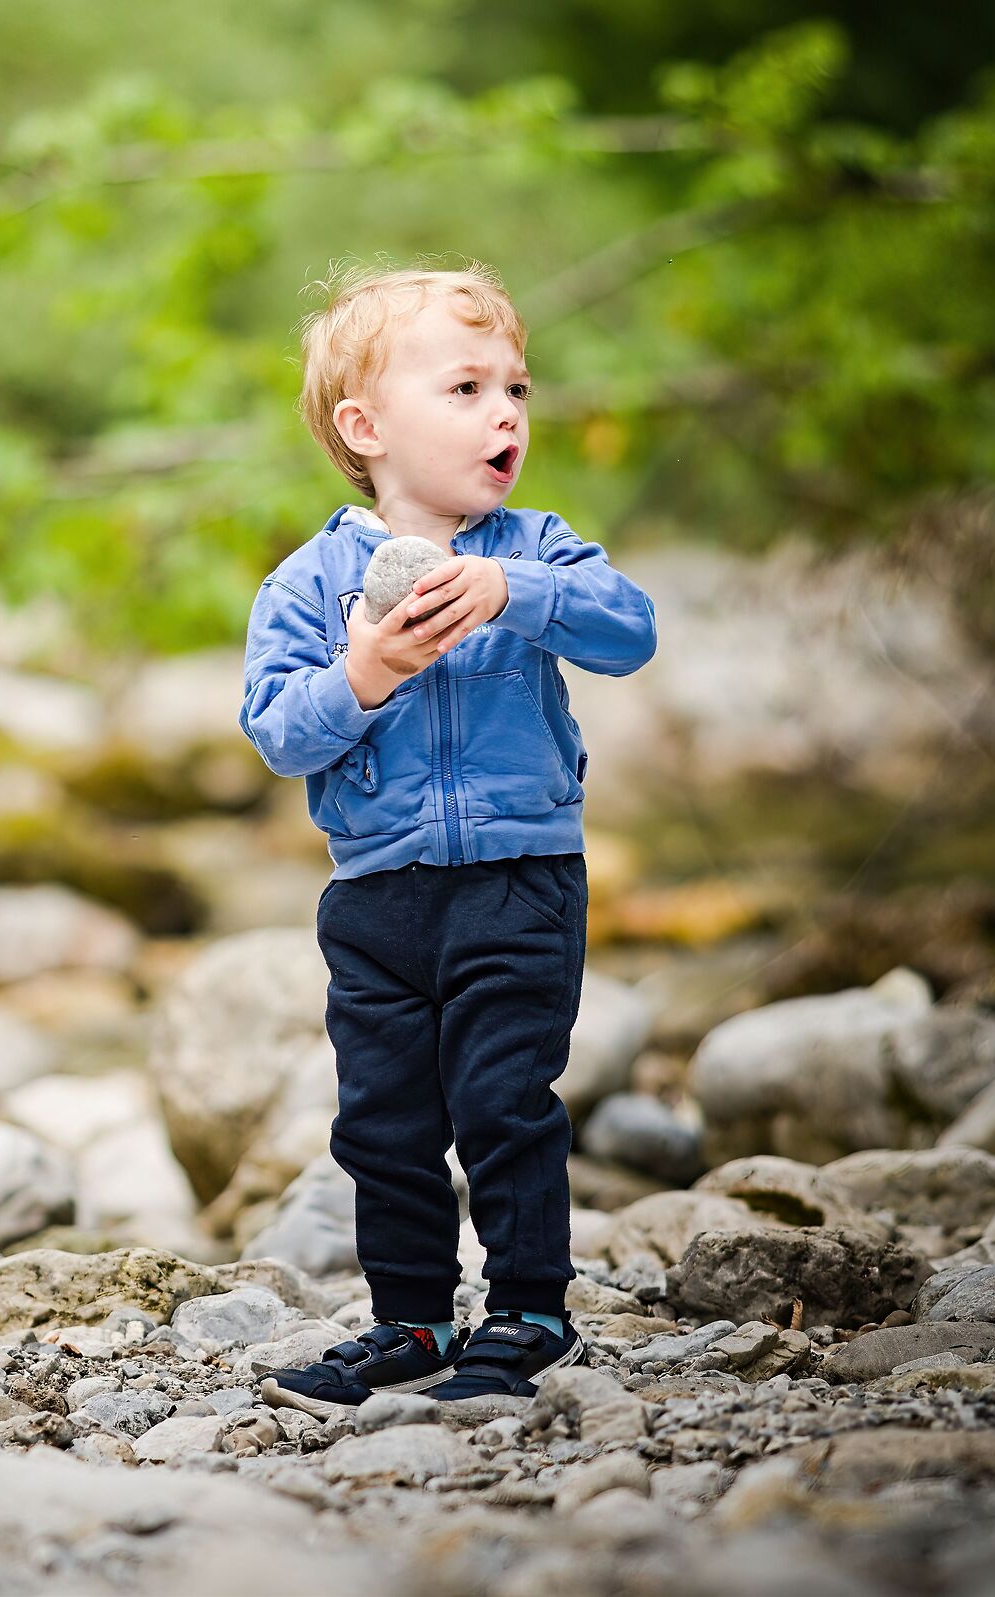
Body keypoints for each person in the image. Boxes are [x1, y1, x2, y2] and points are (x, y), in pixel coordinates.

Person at [238, 261, 658, 1412]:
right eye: (466, 388)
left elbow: (631, 633)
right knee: (384, 1119)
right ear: (364, 427)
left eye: (516, 388)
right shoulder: (309, 581)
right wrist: (363, 670)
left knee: (504, 1099)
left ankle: (528, 1308)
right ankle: (412, 1319)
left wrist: (512, 591)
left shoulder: (537, 547)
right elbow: (277, 731)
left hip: (521, 879)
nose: (507, 413)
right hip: (377, 897)